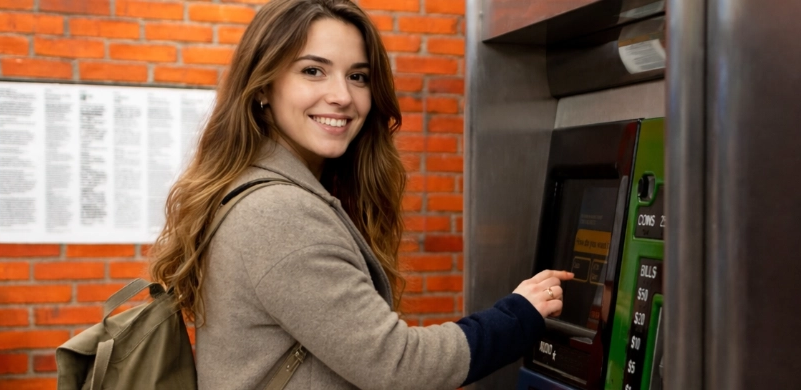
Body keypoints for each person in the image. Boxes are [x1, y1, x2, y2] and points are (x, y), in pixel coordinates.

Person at [147, 0, 573, 388]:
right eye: (313, 70)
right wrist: (519, 314)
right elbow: (399, 366)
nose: (342, 96)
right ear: (263, 87)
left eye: (358, 76)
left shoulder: (252, 189)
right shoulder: (279, 213)